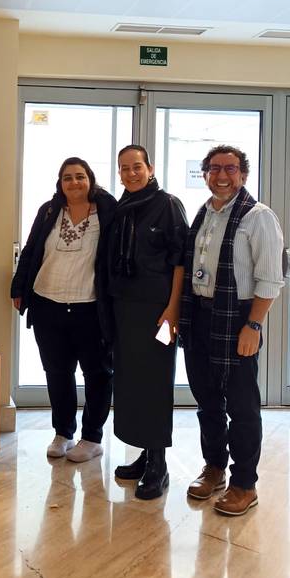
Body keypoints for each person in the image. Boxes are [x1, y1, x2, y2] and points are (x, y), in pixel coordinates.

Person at [179, 145, 284, 515]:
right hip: (200, 317)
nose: (222, 175)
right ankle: (214, 469)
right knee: (207, 402)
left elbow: (270, 279)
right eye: (215, 168)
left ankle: (244, 484)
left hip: (238, 318)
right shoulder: (203, 214)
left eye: (231, 168)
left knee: (242, 407)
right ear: (205, 173)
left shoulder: (259, 217)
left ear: (243, 174)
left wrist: (253, 324)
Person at [11, 157, 116, 462]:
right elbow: (31, 250)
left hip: (91, 308)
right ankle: (63, 433)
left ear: (91, 180)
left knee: (97, 374)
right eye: (67, 177)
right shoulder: (49, 211)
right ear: (60, 183)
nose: (74, 183)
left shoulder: (107, 211)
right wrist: (19, 288)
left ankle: (92, 437)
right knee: (58, 372)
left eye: (80, 177)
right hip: (48, 304)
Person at [108, 145, 188, 499]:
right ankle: (143, 454)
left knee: (155, 384)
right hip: (124, 309)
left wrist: (173, 310)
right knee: (130, 383)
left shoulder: (168, 205)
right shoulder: (120, 208)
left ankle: (159, 465)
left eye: (136, 166)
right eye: (124, 168)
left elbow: (180, 261)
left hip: (157, 310)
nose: (130, 173)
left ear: (150, 168)